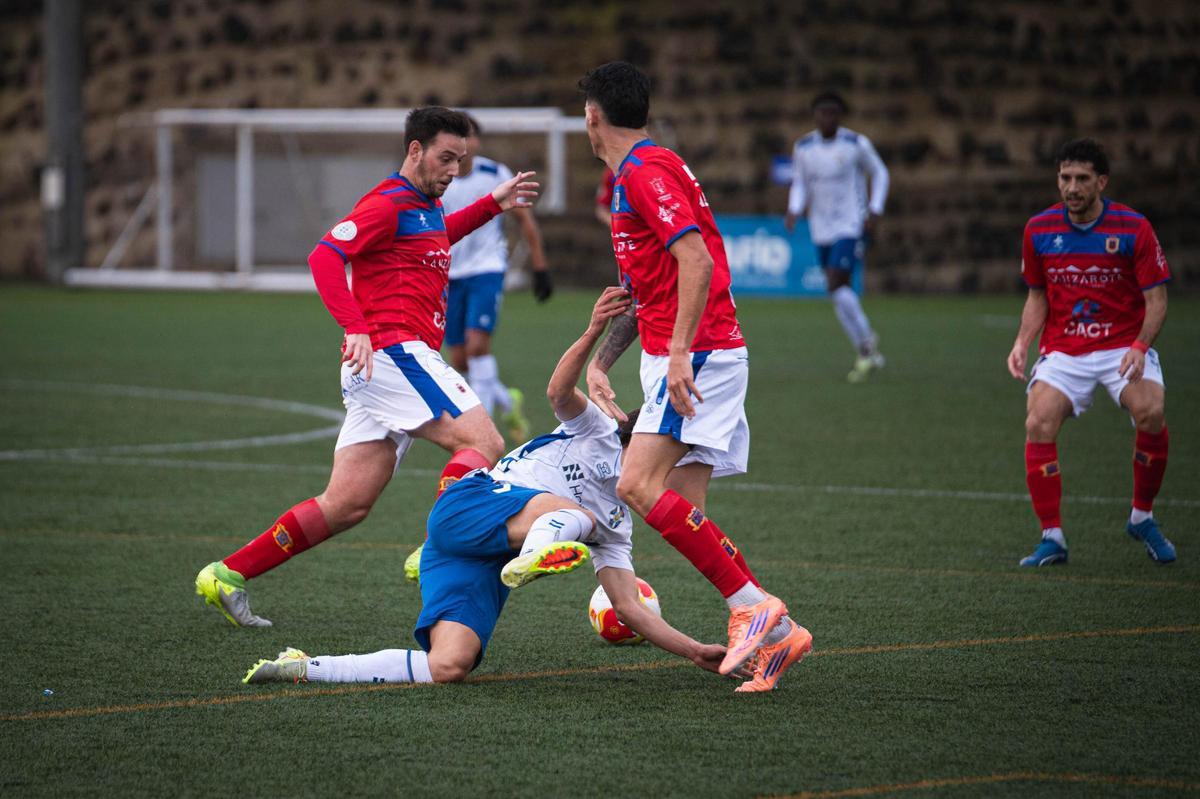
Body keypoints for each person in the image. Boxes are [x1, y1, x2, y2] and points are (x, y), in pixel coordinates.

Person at [243, 288, 735, 687]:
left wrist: (695, 651)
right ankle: (539, 550)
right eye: (668, 459)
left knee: (448, 667)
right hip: (467, 505)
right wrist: (592, 333)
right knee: (577, 517)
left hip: (466, 556)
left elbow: (628, 606)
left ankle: (305, 667)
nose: (669, 474)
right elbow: (558, 392)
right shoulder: (599, 430)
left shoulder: (618, 525)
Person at [194, 107, 540, 627]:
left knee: (346, 505)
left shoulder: (423, 207)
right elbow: (325, 256)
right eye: (445, 158)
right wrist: (354, 324)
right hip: (393, 353)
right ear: (415, 150)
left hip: (381, 368)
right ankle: (437, 545)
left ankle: (227, 575)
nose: (454, 170)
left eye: (461, 160)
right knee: (484, 444)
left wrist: (492, 204)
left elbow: (438, 236)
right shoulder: (388, 202)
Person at [579, 61, 812, 693]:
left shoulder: (645, 172)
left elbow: (696, 259)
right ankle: (777, 633)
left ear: (592, 115)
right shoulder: (641, 173)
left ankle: (751, 607)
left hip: (698, 354)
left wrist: (680, 352)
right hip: (685, 354)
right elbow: (645, 289)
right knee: (685, 509)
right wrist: (602, 363)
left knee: (637, 484)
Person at [1007, 138, 1175, 567]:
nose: (1072, 187)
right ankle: (1052, 537)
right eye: (1065, 178)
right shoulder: (1039, 230)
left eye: (1082, 179)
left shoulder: (1133, 228)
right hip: (1065, 348)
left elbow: (1156, 300)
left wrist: (1140, 346)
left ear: (1101, 181)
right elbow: (1037, 296)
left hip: (1122, 344)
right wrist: (1023, 342)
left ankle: (1142, 516)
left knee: (1151, 411)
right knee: (1038, 420)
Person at [440, 113, 553, 446]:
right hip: (449, 273)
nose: (463, 143)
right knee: (459, 359)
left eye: (469, 136)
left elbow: (525, 222)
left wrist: (540, 268)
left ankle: (481, 433)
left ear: (476, 141)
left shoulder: (495, 174)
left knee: (477, 348)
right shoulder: (438, 178)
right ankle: (507, 400)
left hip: (486, 269)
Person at [785, 91, 889, 383]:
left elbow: (880, 173)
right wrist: (794, 209)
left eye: (832, 112)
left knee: (835, 281)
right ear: (815, 115)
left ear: (839, 116)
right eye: (822, 112)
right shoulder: (804, 147)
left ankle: (867, 343)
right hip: (821, 227)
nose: (827, 117)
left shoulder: (855, 144)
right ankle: (867, 347)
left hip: (851, 224)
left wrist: (875, 208)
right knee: (837, 292)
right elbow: (800, 183)